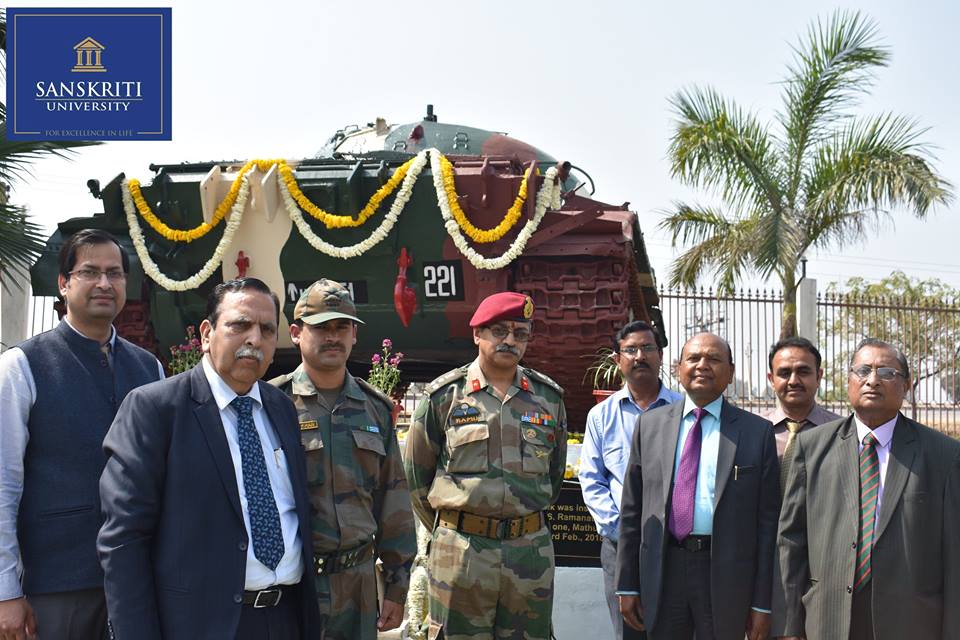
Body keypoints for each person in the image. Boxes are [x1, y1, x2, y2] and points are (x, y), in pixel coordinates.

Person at [97, 278, 320, 640]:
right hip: (200, 624)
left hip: (286, 618)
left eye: (266, 329)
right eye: (240, 325)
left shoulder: (281, 408)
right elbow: (124, 542)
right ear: (206, 333)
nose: (254, 339)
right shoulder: (156, 409)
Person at [0, 229, 163, 640]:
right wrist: (5, 592)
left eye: (115, 273)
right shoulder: (22, 367)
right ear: (64, 283)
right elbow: (3, 485)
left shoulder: (150, 370)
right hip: (54, 584)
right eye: (90, 272)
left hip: (137, 583)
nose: (105, 284)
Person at [404, 291, 567, 640]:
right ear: (477, 333)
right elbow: (417, 480)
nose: (510, 340)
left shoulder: (548, 399)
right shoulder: (443, 397)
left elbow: (553, 479)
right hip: (461, 556)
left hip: (529, 556)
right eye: (499, 331)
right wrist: (457, 526)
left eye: (520, 333)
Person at [773, 338, 960, 640]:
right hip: (829, 618)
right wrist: (789, 624)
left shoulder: (943, 455)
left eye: (887, 372)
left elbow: (955, 555)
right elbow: (791, 541)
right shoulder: (811, 447)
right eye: (863, 370)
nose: (873, 380)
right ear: (849, 381)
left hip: (912, 621)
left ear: (907, 385)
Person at [270, 279, 416, 640]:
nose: (332, 337)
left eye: (341, 327)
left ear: (353, 335)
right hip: (294, 583)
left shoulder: (376, 408)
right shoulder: (274, 404)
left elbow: (393, 498)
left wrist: (396, 586)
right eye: (320, 327)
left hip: (359, 585)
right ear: (295, 333)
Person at [616, 333, 779, 640]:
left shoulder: (756, 433)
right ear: (678, 368)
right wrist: (627, 583)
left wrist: (762, 604)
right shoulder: (650, 425)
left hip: (724, 574)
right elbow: (632, 510)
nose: (703, 365)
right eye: (694, 358)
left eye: (714, 359)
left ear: (730, 373)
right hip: (664, 567)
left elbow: (767, 525)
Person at [578, 320, 681, 640]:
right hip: (621, 547)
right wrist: (621, 531)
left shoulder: (684, 410)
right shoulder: (602, 415)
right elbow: (592, 478)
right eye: (631, 350)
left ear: (661, 356)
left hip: (677, 548)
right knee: (629, 631)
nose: (640, 356)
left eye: (648, 348)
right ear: (617, 359)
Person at [761, 337, 840, 492]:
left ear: (818, 376)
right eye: (784, 373)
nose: (793, 381)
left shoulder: (842, 432)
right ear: (771, 380)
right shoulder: (753, 430)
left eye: (803, 372)